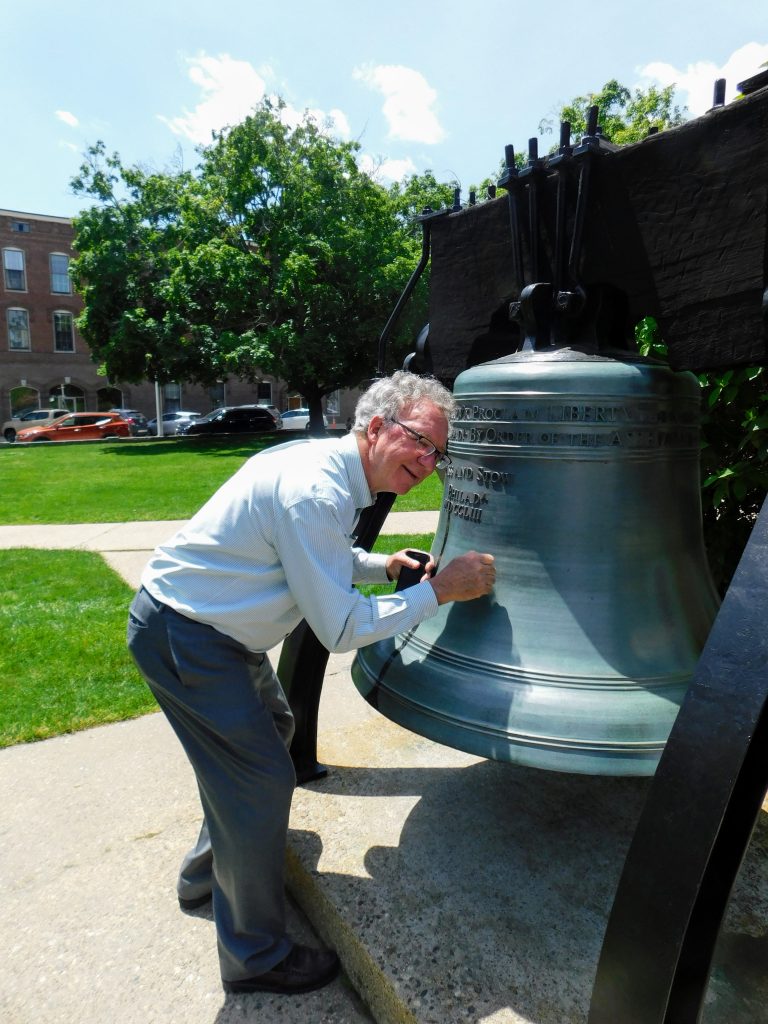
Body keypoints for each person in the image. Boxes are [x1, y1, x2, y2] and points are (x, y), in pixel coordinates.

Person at [127, 371, 496, 996]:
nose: (430, 464)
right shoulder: (315, 490)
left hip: (208, 631)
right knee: (261, 779)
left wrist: (384, 565)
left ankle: (207, 874)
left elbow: (315, 554)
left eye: (439, 453)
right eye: (421, 443)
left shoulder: (328, 470)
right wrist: (438, 590)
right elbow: (342, 626)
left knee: (272, 731)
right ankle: (256, 956)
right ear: (376, 426)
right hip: (188, 636)